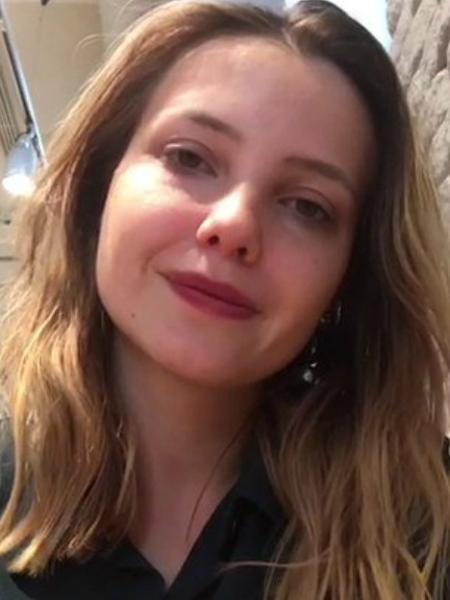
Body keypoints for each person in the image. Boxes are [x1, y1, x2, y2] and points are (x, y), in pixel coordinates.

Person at [0, 0, 449, 598]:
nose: (235, 224)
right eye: (189, 158)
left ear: (351, 276)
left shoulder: (427, 526)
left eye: (307, 206)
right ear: (97, 189)